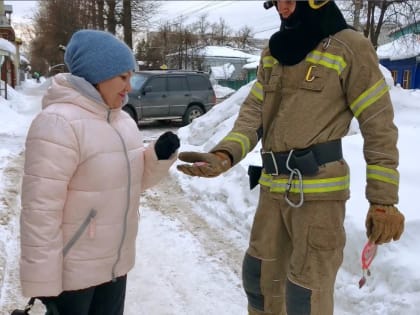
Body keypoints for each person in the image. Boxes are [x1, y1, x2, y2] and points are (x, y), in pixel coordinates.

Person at [176, 1, 405, 314]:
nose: (282, 8)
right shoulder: (274, 52)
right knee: (258, 279)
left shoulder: (350, 47)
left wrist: (383, 200)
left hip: (319, 197)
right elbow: (253, 113)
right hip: (273, 190)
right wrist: (224, 154)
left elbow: (379, 126)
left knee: (304, 295)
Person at [19, 29, 180, 315]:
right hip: (73, 276)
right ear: (97, 75)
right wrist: (43, 284)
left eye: (131, 78)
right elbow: (40, 211)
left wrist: (157, 157)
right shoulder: (58, 123)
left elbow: (132, 183)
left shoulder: (124, 123)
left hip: (115, 266)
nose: (128, 87)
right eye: (123, 77)